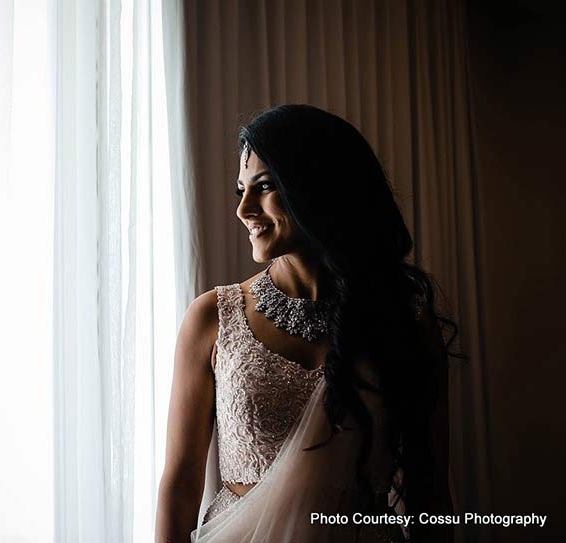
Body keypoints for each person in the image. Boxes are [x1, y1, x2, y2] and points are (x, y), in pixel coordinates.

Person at [155, 104, 457, 542]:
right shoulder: (214, 318)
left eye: (263, 187)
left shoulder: (404, 323)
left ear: (316, 187)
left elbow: (428, 491)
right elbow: (180, 487)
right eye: (241, 189)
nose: (242, 208)